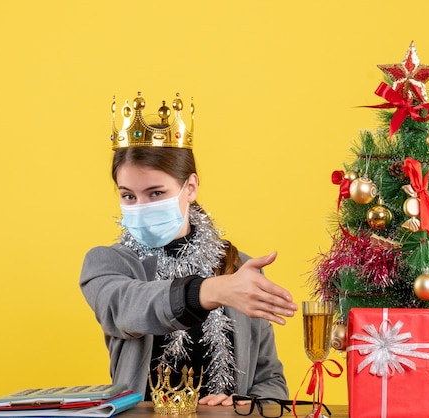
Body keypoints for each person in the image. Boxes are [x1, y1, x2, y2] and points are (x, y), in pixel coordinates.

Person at [79, 92, 297, 407]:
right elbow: (126, 308)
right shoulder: (108, 265)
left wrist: (249, 405)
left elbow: (270, 380)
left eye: (155, 193)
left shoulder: (239, 270)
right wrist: (211, 291)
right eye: (129, 196)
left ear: (190, 187)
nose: (141, 207)